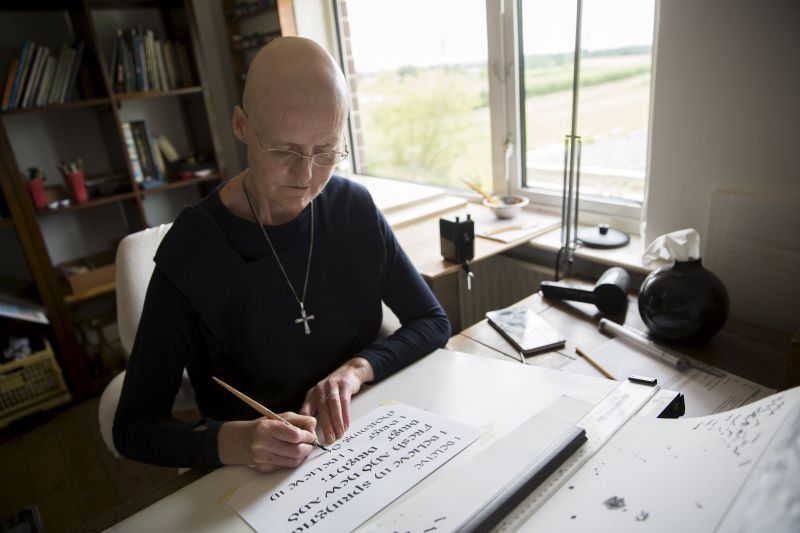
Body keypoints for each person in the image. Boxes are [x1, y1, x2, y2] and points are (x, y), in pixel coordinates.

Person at [113, 37, 450, 471]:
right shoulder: (193, 247)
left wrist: (357, 370)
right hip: (258, 473)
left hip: (369, 438)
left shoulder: (353, 208)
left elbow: (433, 321)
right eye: (285, 151)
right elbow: (133, 427)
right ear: (241, 126)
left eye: (326, 151)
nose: (307, 177)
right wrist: (232, 441)